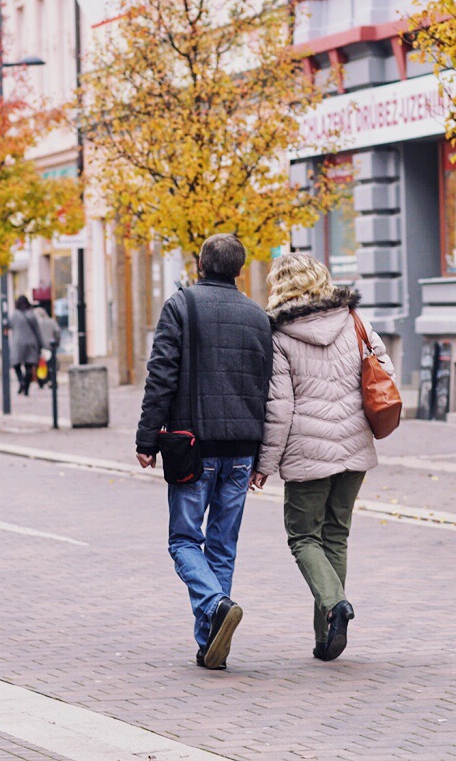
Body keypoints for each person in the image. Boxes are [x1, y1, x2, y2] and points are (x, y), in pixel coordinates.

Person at [135, 234, 272, 672]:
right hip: (242, 449)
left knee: (182, 540)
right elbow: (267, 387)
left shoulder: (181, 305)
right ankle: (210, 643)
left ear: (200, 264)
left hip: (192, 446)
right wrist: (261, 451)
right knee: (222, 547)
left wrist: (146, 438)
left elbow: (161, 375)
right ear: (239, 268)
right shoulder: (257, 315)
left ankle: (215, 605)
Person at [254, 253, 391, 662]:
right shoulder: (355, 321)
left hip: (307, 451)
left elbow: (279, 409)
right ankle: (324, 637)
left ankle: (335, 605)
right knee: (335, 535)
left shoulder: (279, 335)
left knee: (302, 537)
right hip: (354, 444)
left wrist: (264, 464)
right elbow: (387, 375)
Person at [10, 296, 43, 396]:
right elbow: (37, 331)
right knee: (29, 365)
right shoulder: (31, 315)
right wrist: (40, 345)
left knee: (16, 365)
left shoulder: (14, 315)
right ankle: (26, 387)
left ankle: (22, 382)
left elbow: (8, 325)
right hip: (30, 343)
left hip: (17, 343)